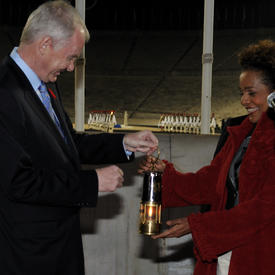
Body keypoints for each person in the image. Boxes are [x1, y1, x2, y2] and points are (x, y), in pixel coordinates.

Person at [0, 1, 158, 275]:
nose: (72, 68)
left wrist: (122, 143)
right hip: (28, 256)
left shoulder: (44, 83)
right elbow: (17, 181)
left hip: (56, 246)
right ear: (45, 44)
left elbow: (67, 145)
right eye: (71, 57)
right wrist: (92, 182)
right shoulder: (4, 92)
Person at [139, 39, 275, 275]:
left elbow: (265, 208)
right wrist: (166, 174)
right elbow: (211, 182)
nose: (244, 101)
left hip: (261, 255)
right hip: (228, 253)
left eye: (252, 93)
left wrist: (198, 225)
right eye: (242, 93)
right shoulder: (240, 135)